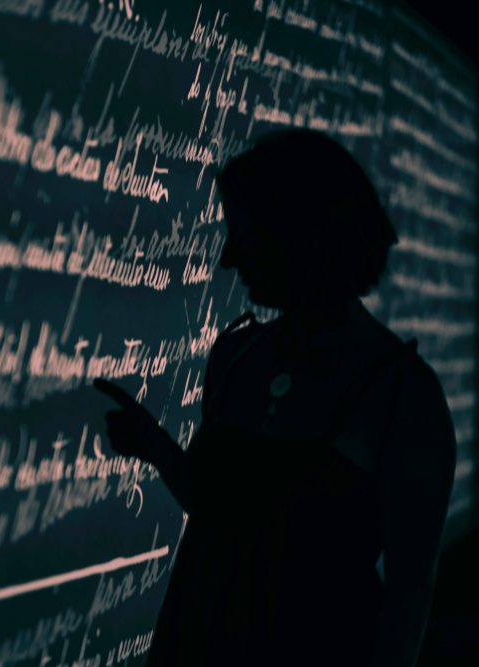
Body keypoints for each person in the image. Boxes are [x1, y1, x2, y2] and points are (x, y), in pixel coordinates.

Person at [94, 128, 457, 667]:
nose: (227, 259)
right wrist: (157, 448)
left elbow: (409, 595)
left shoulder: (403, 395)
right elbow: (222, 511)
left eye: (243, 233)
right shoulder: (235, 355)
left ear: (301, 235)